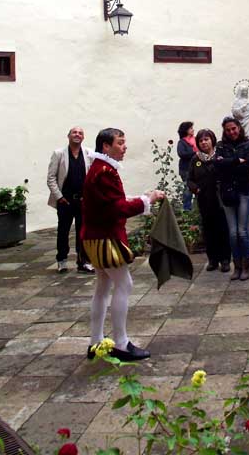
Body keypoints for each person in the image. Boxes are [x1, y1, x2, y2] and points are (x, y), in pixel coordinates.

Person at [81, 128, 164, 362]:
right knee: (124, 284)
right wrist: (147, 200)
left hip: (94, 236)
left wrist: (141, 197)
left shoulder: (99, 169)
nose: (124, 147)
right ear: (106, 146)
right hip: (106, 237)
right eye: (120, 142)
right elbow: (117, 208)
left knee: (103, 286)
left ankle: (96, 341)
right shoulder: (105, 171)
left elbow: (111, 202)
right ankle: (121, 343)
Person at [47, 126, 94, 273]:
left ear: (83, 137)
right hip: (65, 201)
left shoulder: (88, 153)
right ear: (68, 136)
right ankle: (62, 260)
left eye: (80, 133)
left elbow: (92, 176)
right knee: (63, 231)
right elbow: (51, 178)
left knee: (83, 232)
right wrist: (59, 197)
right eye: (74, 132)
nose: (77, 135)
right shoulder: (59, 154)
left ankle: (83, 261)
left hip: (82, 201)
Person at [214, 117, 249, 280]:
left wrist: (228, 163)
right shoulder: (221, 146)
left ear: (239, 127)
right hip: (228, 192)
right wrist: (237, 161)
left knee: (242, 232)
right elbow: (217, 165)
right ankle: (237, 267)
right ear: (224, 131)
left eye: (234, 128)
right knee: (232, 233)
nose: (231, 132)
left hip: (244, 191)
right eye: (228, 129)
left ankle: (246, 267)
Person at [187, 129, 231, 273]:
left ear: (212, 140)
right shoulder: (196, 160)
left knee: (222, 229)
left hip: (219, 200)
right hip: (204, 200)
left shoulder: (219, 156)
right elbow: (190, 179)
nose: (203, 142)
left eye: (206, 139)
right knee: (208, 231)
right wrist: (195, 189)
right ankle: (213, 260)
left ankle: (225, 260)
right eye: (200, 140)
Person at [177, 121, 197, 211]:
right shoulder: (182, 142)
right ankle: (187, 210)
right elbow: (182, 154)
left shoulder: (196, 140)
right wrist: (195, 153)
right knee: (188, 190)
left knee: (198, 189)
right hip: (186, 169)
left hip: (197, 168)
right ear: (186, 130)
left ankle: (198, 210)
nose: (193, 130)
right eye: (191, 128)